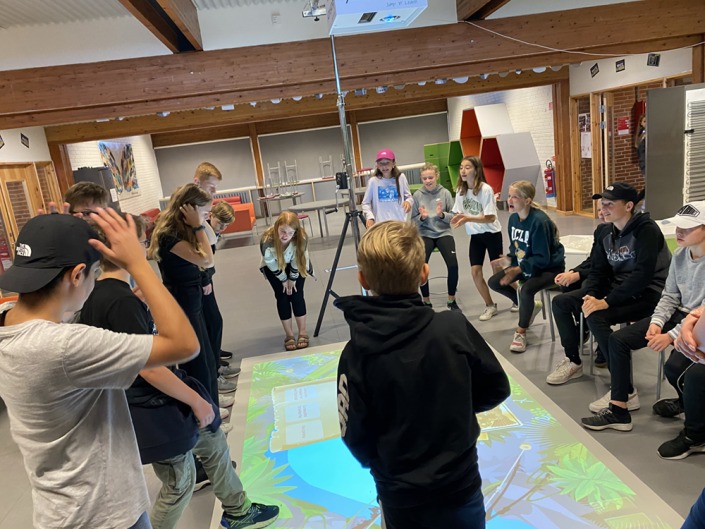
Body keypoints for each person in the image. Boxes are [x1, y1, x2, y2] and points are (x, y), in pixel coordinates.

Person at [0, 210, 199, 529]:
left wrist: (55, 234)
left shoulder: (9, 322)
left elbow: (52, 319)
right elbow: (184, 344)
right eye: (95, 274)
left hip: (60, 509)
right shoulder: (65, 346)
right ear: (77, 275)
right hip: (103, 513)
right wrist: (139, 266)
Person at [80, 214, 279, 529]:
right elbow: (149, 369)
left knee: (212, 440)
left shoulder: (110, 295)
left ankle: (238, 509)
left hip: (159, 398)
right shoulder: (118, 301)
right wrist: (196, 401)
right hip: (151, 405)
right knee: (179, 482)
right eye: (141, 241)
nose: (145, 247)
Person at [335, 220, 510, 529]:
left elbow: (355, 433)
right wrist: (456, 408)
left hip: (400, 495)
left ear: (363, 279)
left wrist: (385, 467)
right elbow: (496, 387)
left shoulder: (355, 353)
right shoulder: (453, 329)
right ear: (424, 272)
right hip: (460, 485)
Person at [578, 202, 705, 433]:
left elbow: (702, 313)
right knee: (618, 340)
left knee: (674, 368)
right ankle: (619, 410)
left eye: (687, 228)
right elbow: (669, 296)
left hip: (699, 323)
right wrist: (657, 323)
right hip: (679, 314)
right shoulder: (680, 255)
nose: (679, 232)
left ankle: (687, 404)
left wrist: (670, 335)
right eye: (678, 227)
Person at [549, 182, 670, 386]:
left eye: (609, 204)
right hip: (617, 287)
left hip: (648, 293)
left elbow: (642, 276)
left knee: (595, 316)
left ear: (629, 206)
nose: (603, 209)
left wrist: (606, 301)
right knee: (561, 303)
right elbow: (598, 270)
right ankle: (573, 361)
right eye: (602, 203)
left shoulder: (646, 230)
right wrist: (591, 295)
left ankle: (623, 388)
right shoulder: (604, 232)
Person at [149, 184, 226, 406]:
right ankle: (204, 408)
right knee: (197, 362)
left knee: (207, 357)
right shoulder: (169, 235)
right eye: (204, 212)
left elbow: (210, 245)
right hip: (183, 301)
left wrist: (198, 223)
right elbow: (207, 260)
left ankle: (211, 404)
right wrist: (198, 225)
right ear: (189, 210)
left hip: (193, 298)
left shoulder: (183, 230)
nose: (206, 217)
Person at [488, 180, 565, 353]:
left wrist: (518, 269)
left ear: (527, 200)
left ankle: (521, 332)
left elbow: (543, 258)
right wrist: (508, 260)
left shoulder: (539, 222)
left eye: (515, 197)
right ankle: (528, 307)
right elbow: (517, 248)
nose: (509, 200)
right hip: (526, 265)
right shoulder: (513, 219)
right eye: (509, 196)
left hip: (549, 268)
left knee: (527, 289)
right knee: (494, 282)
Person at [192, 163, 239, 393]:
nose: (214, 192)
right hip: (196, 283)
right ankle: (214, 371)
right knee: (210, 325)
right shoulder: (193, 212)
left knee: (213, 323)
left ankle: (215, 361)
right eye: (211, 187)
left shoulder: (203, 213)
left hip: (203, 280)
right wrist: (205, 279)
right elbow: (198, 255)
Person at [451, 156, 503, 321]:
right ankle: (490, 305)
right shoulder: (460, 191)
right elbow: (459, 213)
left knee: (498, 274)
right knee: (475, 272)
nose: (463, 171)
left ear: (476, 170)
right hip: (476, 236)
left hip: (492, 234)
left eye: (467, 167)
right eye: (461, 167)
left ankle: (519, 297)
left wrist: (467, 218)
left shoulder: (485, 190)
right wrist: (442, 215)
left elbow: (490, 218)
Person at [410, 162, 460, 311]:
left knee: (453, 265)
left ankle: (451, 300)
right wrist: (422, 218)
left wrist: (442, 215)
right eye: (425, 178)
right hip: (425, 234)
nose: (428, 181)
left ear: (437, 176)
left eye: (430, 177)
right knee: (421, 266)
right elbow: (412, 221)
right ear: (421, 179)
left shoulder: (445, 193)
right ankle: (426, 301)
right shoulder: (417, 195)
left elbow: (454, 217)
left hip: (443, 233)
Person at [260, 210, 311, 351]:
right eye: (282, 231)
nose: (285, 236)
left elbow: (297, 260)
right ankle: (289, 335)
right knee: (282, 297)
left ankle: (302, 332)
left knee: (297, 295)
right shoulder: (266, 240)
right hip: (274, 266)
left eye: (290, 233)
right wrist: (283, 279)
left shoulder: (301, 238)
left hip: (298, 263)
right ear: (277, 227)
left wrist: (292, 279)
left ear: (295, 232)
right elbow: (270, 262)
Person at [362, 149, 413, 228]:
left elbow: (409, 197)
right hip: (381, 224)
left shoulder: (401, 178)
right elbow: (365, 203)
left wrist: (408, 202)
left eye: (387, 163)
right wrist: (370, 217)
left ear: (393, 163)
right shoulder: (373, 181)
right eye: (381, 163)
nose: (384, 166)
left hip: (399, 223)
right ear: (377, 165)